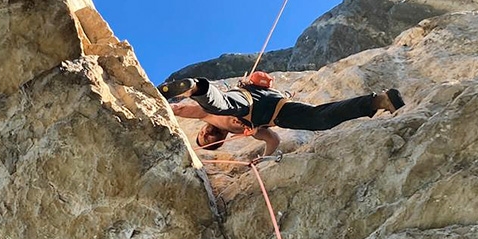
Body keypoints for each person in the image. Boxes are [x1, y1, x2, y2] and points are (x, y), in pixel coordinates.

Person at [156, 72, 404, 155]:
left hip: (244, 99)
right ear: (219, 142)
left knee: (217, 104)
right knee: (321, 119)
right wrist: (262, 155)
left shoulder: (203, 115)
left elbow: (175, 110)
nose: (207, 135)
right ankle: (379, 101)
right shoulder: (247, 132)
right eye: (208, 142)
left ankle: (193, 86)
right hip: (279, 110)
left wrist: (162, 104)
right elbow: (272, 140)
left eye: (202, 136)